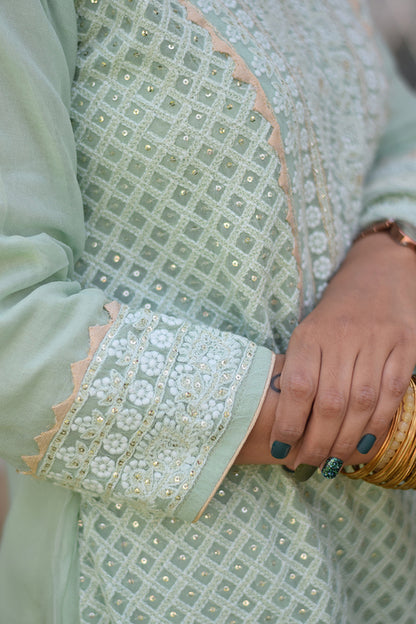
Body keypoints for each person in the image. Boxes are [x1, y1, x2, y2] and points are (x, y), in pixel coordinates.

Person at [1, 0, 416, 622]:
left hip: (379, 563)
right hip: (153, 579)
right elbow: (14, 331)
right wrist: (355, 419)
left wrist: (385, 258)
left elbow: (401, 134)